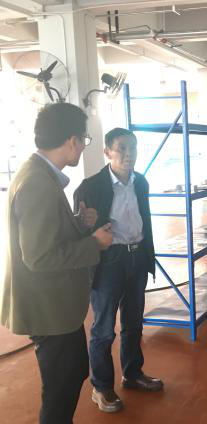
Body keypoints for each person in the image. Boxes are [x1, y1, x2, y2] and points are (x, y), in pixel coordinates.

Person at [0, 102, 113, 424]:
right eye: (84, 140)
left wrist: (77, 223)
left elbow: (46, 235)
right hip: (47, 308)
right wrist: (94, 243)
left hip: (55, 307)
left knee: (73, 371)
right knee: (60, 389)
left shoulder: (40, 174)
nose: (83, 146)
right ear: (72, 141)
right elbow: (39, 256)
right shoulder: (38, 182)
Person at [74, 127, 161, 414]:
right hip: (109, 261)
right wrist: (92, 234)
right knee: (103, 329)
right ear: (107, 152)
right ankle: (101, 387)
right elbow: (79, 229)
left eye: (132, 148)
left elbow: (144, 220)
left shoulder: (141, 182)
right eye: (121, 148)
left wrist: (147, 255)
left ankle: (132, 374)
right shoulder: (90, 187)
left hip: (137, 257)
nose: (128, 154)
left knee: (134, 323)